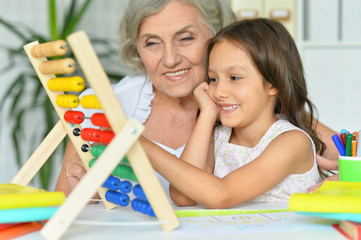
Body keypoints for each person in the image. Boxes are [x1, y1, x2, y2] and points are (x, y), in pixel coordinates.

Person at [55, 0, 338, 198]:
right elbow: (63, 204)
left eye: (186, 38)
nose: (170, 59)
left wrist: (343, 183)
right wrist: (82, 190)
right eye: (152, 43)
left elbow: (351, 153)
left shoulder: (255, 106)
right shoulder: (104, 108)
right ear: (137, 49)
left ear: (218, 38)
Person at [139, 18, 328, 208]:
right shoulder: (218, 136)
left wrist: (140, 144)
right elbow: (182, 197)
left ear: (273, 84)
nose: (219, 91)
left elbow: (222, 194)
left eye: (234, 77)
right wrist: (206, 115)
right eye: (213, 79)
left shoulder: (292, 142)